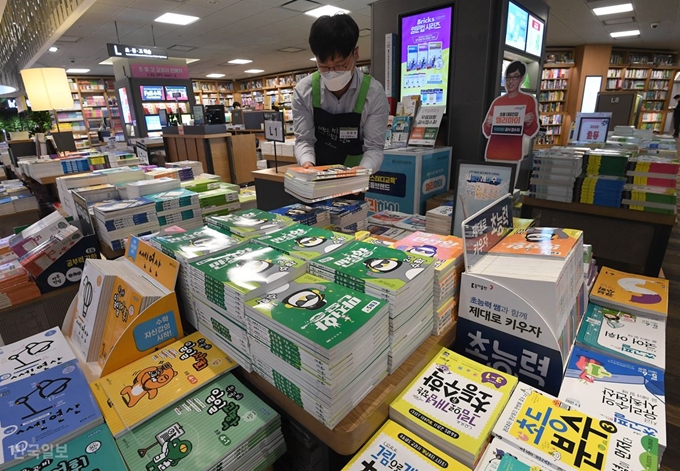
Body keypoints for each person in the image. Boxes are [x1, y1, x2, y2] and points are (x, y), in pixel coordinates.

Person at [292, 14, 389, 173]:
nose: (332, 73)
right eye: (324, 66)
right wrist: (307, 164)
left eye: (340, 65)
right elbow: (304, 140)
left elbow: (374, 147)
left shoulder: (373, 93)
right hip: (316, 172)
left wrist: (363, 170)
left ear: (355, 54)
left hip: (353, 173)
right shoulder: (304, 90)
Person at [482, 60, 539, 161]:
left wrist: (529, 123)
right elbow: (487, 132)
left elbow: (531, 132)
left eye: (515, 77)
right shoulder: (498, 102)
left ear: (521, 78)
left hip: (513, 156)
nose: (510, 81)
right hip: (492, 154)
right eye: (508, 77)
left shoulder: (528, 100)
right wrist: (488, 124)